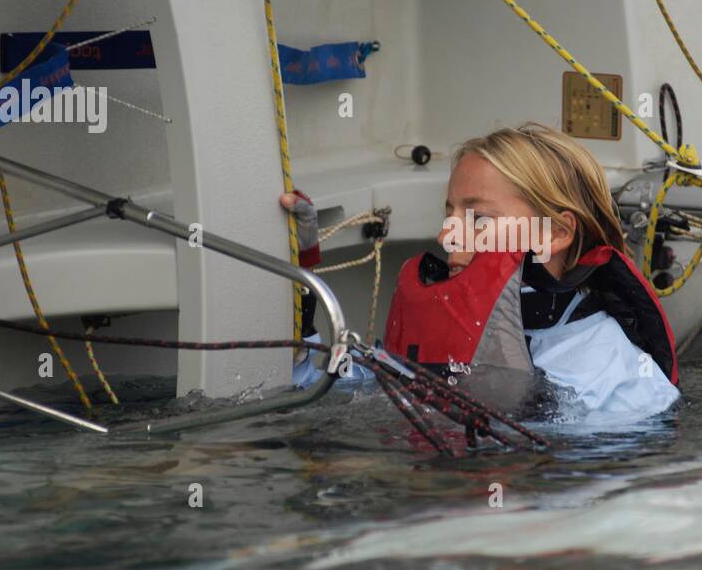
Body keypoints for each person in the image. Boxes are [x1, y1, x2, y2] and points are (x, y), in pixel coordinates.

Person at [283, 124, 680, 419]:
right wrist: (300, 274)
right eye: (449, 214)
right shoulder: (454, 322)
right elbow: (323, 394)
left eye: (478, 218)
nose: (446, 235)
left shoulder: (615, 378)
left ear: (555, 233)